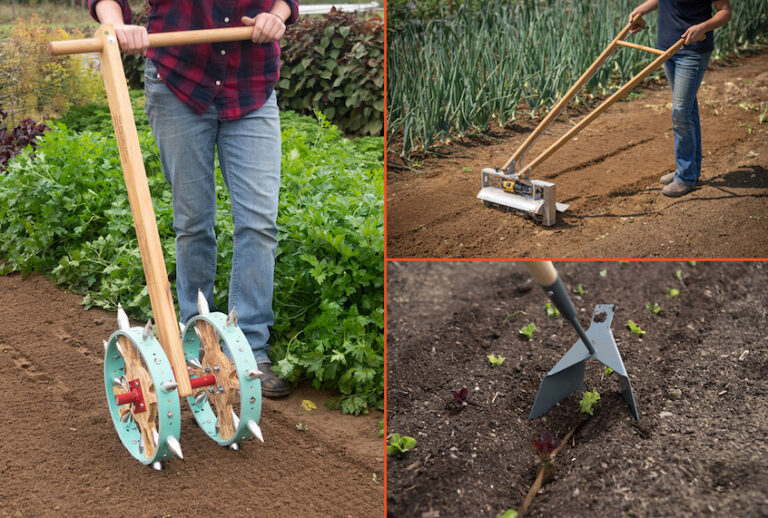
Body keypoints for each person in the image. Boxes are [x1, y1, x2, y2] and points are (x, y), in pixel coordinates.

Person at [88, 0, 299, 397]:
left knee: (259, 223)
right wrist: (116, 25)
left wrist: (278, 15)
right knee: (194, 223)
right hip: (178, 84)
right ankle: (196, 342)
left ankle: (250, 347)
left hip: (250, 86)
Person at [629, 0, 731, 197]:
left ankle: (685, 177)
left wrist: (702, 26)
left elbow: (725, 12)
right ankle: (689, 170)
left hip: (692, 51)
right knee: (688, 110)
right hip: (667, 48)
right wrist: (641, 10)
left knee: (680, 112)